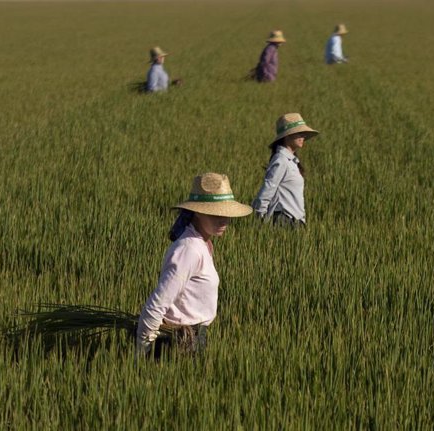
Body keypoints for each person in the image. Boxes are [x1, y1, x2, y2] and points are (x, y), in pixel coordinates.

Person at [136, 173, 252, 357]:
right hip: (178, 342)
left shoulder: (201, 243)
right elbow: (157, 304)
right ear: (198, 211)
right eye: (215, 214)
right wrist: (143, 352)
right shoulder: (189, 249)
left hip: (192, 338)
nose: (224, 220)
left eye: (226, 214)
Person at [252, 113, 319, 227]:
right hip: (284, 221)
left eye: (303, 134)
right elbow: (268, 187)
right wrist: (260, 216)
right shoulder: (281, 160)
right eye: (299, 133)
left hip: (295, 221)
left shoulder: (291, 161)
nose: (302, 137)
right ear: (287, 136)